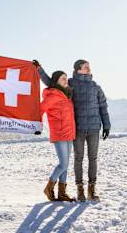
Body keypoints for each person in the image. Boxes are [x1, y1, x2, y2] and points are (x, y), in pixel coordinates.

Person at [34, 59, 110, 202]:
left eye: (89, 67)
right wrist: (39, 70)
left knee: (92, 159)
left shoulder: (95, 87)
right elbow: (52, 82)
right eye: (85, 67)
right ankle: (80, 189)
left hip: (94, 128)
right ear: (78, 70)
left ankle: (91, 190)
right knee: (77, 159)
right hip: (78, 129)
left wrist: (106, 125)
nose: (89, 69)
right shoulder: (71, 84)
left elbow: (103, 107)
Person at [39, 70, 76, 202]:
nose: (66, 80)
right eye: (62, 79)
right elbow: (40, 109)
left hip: (69, 134)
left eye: (66, 78)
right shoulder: (53, 95)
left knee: (65, 165)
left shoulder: (66, 95)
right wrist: (37, 126)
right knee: (63, 164)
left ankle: (62, 193)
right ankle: (49, 187)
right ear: (56, 81)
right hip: (59, 134)